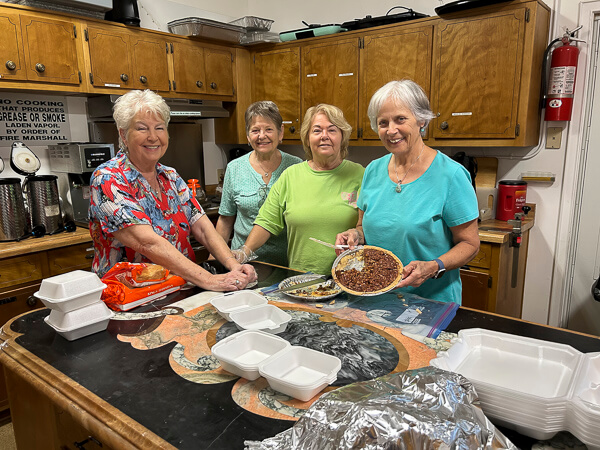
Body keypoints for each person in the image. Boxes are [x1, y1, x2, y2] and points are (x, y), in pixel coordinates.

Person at [88, 89, 256, 291]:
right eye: (142, 128)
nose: (153, 137)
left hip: (176, 289)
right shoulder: (108, 178)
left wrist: (234, 266)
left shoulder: (170, 176)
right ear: (123, 134)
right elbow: (147, 243)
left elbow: (202, 227)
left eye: (159, 128)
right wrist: (210, 280)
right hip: (129, 297)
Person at [335, 80, 480, 303]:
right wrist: (355, 236)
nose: (391, 130)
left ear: (421, 120)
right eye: (383, 122)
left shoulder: (450, 175)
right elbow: (363, 227)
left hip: (431, 301)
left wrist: (434, 267)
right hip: (375, 297)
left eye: (400, 119)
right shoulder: (373, 170)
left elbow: (470, 244)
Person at [239, 104, 365, 275]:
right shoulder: (290, 176)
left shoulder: (361, 175)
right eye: (317, 130)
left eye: (332, 130)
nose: (324, 136)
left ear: (342, 136)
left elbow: (366, 227)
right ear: (307, 138)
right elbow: (266, 222)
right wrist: (243, 252)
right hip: (301, 282)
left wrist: (356, 233)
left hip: (350, 278)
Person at [216, 101, 302, 266]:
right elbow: (226, 219)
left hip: (285, 264)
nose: (262, 136)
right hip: (242, 262)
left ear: (280, 132)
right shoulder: (234, 168)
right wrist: (216, 259)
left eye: (269, 129)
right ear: (248, 135)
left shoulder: (295, 167)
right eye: (255, 130)